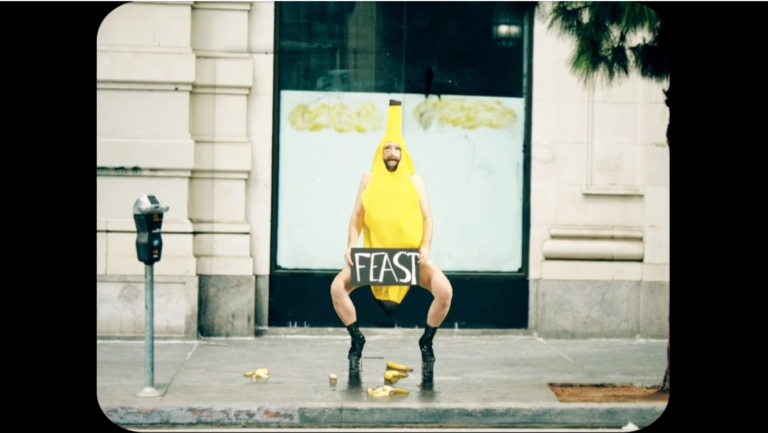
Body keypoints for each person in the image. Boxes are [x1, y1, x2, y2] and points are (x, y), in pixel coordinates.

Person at [330, 99, 453, 381]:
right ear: (380, 152)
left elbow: (427, 218)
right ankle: (356, 339)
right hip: (376, 258)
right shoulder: (368, 179)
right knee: (337, 288)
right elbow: (356, 217)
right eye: (387, 147)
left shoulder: (415, 181)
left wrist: (426, 248)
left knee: (444, 292)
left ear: (404, 152)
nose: (392, 152)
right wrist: (351, 245)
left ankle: (427, 341)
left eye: (397, 148)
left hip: (408, 257)